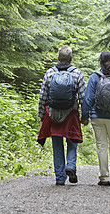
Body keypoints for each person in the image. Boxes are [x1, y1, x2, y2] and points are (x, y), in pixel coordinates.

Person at [37, 45, 86, 186]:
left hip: (53, 114)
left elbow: (42, 96)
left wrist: (42, 114)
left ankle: (60, 178)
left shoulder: (50, 73)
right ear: (70, 58)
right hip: (71, 113)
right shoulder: (77, 73)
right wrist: (84, 116)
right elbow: (83, 96)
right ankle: (70, 166)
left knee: (57, 144)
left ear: (58, 58)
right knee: (72, 141)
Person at [81, 51, 110, 186]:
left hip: (97, 116)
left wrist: (84, 116)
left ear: (100, 62)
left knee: (101, 145)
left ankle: (104, 177)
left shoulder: (95, 78)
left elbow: (88, 99)